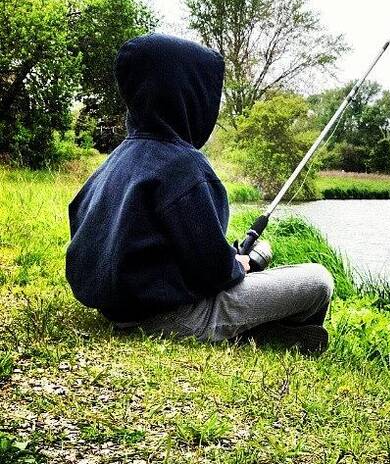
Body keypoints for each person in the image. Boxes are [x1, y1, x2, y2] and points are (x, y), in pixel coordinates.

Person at [65, 33, 333, 354]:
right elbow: (215, 273)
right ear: (188, 95)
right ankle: (285, 338)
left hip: (117, 312)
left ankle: (276, 336)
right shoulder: (183, 164)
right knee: (318, 281)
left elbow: (92, 226)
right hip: (177, 318)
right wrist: (239, 265)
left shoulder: (115, 161)